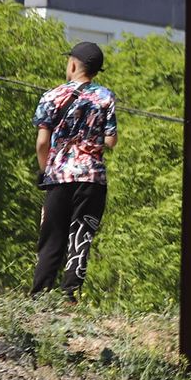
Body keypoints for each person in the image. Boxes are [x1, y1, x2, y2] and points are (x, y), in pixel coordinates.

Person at [32, 41, 117, 300]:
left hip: (58, 176)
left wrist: (46, 169)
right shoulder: (106, 97)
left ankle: (40, 295)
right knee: (81, 234)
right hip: (92, 178)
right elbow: (111, 141)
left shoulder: (51, 96)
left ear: (72, 64)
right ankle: (69, 294)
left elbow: (42, 142)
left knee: (52, 235)